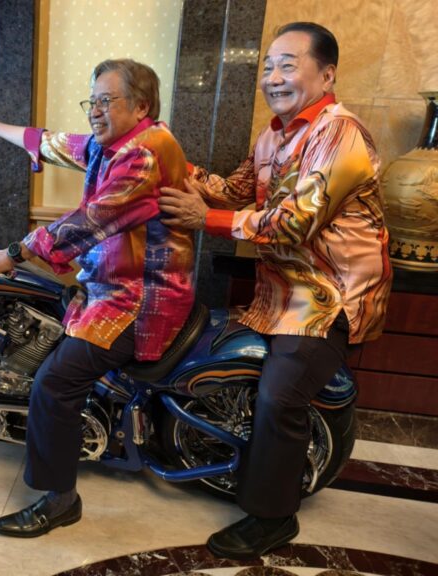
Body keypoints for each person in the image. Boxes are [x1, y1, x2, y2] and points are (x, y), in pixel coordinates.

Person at [159, 22, 392, 559]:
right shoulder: (273, 136)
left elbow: (293, 222)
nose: (273, 77)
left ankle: (273, 517)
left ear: (327, 75)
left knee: (280, 395)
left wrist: (204, 219)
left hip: (330, 299)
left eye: (288, 65)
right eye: (268, 66)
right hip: (280, 297)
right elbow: (233, 190)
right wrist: (170, 158)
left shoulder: (341, 134)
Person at [0, 59, 195, 537]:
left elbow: (94, 217)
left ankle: (59, 499)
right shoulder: (114, 146)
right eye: (93, 101)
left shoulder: (145, 154)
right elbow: (54, 142)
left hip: (138, 300)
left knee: (54, 382)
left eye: (107, 101)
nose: (95, 110)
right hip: (110, 287)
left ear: (141, 106)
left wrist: (13, 253)